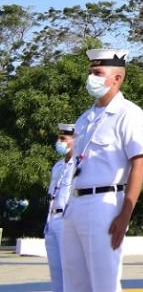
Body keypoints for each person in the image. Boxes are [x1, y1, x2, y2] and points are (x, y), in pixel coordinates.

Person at [62, 48, 143, 292]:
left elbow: (140, 163)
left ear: (117, 78)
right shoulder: (85, 118)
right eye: (91, 72)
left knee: (104, 283)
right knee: (74, 283)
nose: (92, 78)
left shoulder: (129, 114)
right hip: (76, 202)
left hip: (105, 204)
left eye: (98, 72)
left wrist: (125, 214)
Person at [44, 122, 76, 292]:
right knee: (56, 274)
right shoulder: (57, 166)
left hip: (66, 221)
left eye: (63, 138)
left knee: (70, 273)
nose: (59, 141)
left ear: (74, 140)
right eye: (59, 138)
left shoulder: (79, 165)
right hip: (51, 221)